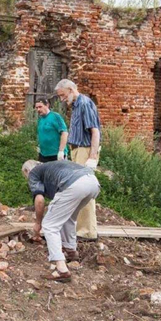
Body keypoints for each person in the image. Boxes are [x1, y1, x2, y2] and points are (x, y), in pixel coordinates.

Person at [22, 159, 100, 282]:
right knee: (68, 217)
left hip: (74, 184)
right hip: (92, 182)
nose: (28, 179)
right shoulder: (52, 167)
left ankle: (61, 269)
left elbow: (40, 200)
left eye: (25, 176)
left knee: (49, 225)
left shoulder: (34, 173)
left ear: (27, 170)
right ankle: (71, 251)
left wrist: (38, 223)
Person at [55, 79, 102, 240]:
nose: (61, 99)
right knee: (77, 190)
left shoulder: (84, 104)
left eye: (62, 95)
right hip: (76, 150)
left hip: (85, 150)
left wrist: (92, 156)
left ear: (70, 89)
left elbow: (95, 131)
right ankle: (81, 228)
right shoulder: (75, 106)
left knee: (84, 190)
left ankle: (88, 232)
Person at [35, 98, 69, 163]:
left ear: (47, 105)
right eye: (36, 108)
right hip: (43, 154)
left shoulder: (55, 116)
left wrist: (61, 151)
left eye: (40, 107)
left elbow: (64, 133)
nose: (38, 109)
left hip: (56, 154)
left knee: (57, 173)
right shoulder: (40, 119)